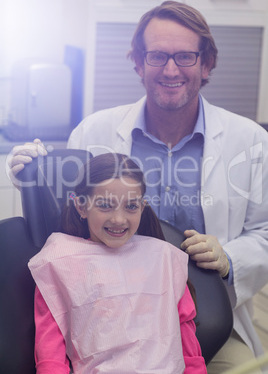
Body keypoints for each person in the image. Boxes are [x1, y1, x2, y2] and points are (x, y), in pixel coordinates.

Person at [9, 0, 268, 372]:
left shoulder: (251, 141)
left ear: (206, 63)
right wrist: (26, 174)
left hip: (210, 320)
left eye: (185, 57)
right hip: (106, 325)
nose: (171, 69)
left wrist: (230, 258)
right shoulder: (94, 131)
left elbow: (265, 231)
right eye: (157, 56)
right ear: (138, 63)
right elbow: (60, 219)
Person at [28, 152, 206, 374]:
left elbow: (188, 346)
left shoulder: (163, 259)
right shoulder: (59, 263)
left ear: (143, 207)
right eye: (105, 205)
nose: (119, 219)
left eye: (131, 207)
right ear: (81, 207)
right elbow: (50, 357)